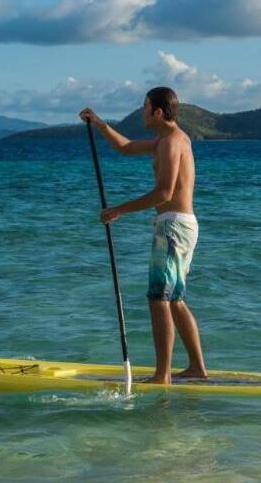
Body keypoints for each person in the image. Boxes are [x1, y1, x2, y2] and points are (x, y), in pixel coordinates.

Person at [79, 87, 207, 385]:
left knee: (158, 298)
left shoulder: (171, 142)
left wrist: (118, 210)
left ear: (158, 112)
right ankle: (196, 368)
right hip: (181, 225)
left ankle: (162, 375)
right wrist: (99, 124)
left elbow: (164, 192)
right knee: (174, 299)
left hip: (173, 227)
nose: (142, 111)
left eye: (146, 106)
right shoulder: (167, 140)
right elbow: (125, 147)